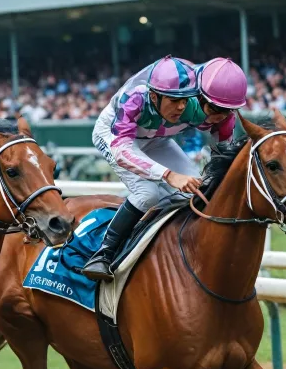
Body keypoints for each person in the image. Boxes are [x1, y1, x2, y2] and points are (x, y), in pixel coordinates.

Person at [82, 55, 246, 281]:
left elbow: (224, 159)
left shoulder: (220, 113)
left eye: (227, 110)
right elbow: (122, 150)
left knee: (200, 190)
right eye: (214, 107)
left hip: (158, 139)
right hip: (116, 137)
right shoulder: (137, 97)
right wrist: (168, 175)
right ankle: (103, 254)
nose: (219, 115)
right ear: (200, 94)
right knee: (148, 193)